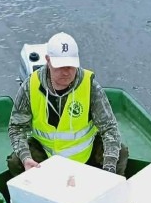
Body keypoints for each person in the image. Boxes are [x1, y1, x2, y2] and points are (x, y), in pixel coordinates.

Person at [7, 32, 128, 177]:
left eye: (70, 66)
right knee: (16, 161)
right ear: (48, 60)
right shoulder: (29, 86)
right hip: (46, 158)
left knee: (119, 152)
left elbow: (109, 128)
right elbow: (16, 127)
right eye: (60, 66)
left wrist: (109, 169)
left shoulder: (90, 87)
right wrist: (26, 157)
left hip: (85, 158)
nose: (66, 72)